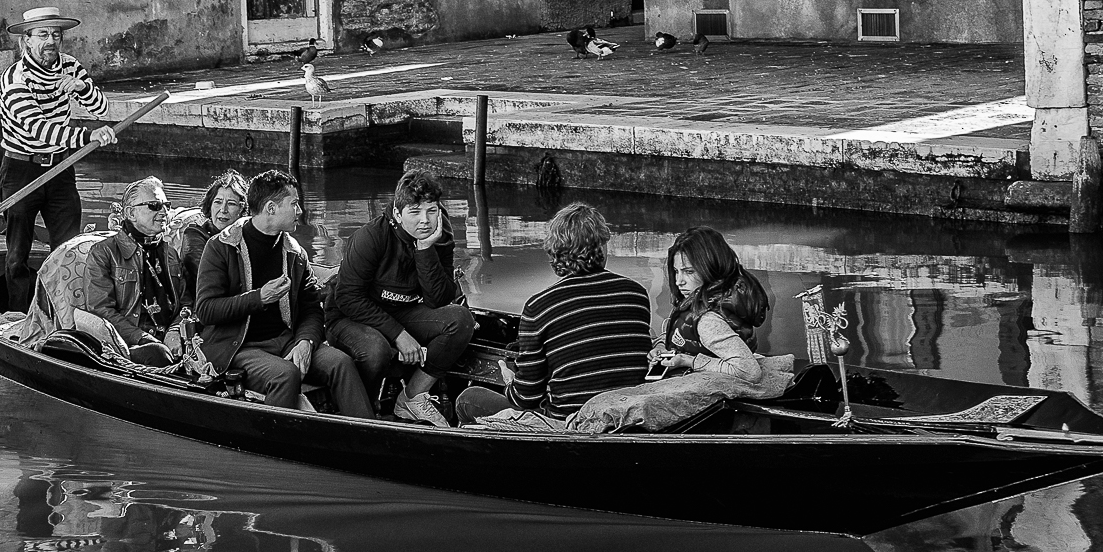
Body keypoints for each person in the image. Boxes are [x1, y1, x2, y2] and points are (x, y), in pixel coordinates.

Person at [196, 169, 373, 416]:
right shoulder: (220, 247)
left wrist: (306, 341)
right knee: (285, 374)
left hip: (286, 340)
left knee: (340, 363)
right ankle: (279, 443)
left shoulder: (295, 253)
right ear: (270, 208)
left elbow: (312, 309)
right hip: (239, 347)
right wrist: (258, 298)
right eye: (294, 204)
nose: (300, 212)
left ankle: (366, 435)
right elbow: (205, 311)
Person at [455, 203, 651, 425]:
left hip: (569, 423)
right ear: (603, 247)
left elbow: (527, 398)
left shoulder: (539, 307)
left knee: (467, 400)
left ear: (556, 254)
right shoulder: (637, 294)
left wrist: (510, 383)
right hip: (626, 418)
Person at [325, 172, 476, 428]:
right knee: (376, 349)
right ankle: (365, 410)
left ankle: (412, 396)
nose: (425, 221)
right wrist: (399, 334)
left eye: (432, 210)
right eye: (415, 212)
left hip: (404, 309)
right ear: (397, 213)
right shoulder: (371, 237)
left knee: (460, 320)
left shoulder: (439, 232)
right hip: (350, 317)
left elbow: (439, 298)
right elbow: (348, 298)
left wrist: (426, 249)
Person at [0, 7, 118, 311]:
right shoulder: (14, 79)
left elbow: (101, 109)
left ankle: (63, 313)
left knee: (69, 249)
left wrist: (82, 86)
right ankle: (16, 316)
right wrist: (87, 137)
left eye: (56, 34)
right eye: (42, 34)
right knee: (17, 256)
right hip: (21, 170)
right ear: (26, 40)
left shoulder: (71, 67)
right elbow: (39, 129)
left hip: (61, 169)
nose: (51, 40)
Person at [80, 176, 188, 367]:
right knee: (157, 355)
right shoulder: (103, 252)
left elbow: (186, 301)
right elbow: (100, 310)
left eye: (167, 205)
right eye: (154, 205)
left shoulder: (170, 253)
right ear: (130, 213)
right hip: (129, 344)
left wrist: (175, 331)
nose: (164, 212)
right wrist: (143, 338)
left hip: (172, 339)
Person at [651, 226, 771, 384]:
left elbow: (749, 371)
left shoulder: (708, 321)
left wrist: (689, 361)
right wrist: (660, 346)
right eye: (676, 271)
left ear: (711, 268)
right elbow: (680, 334)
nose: (678, 281)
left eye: (689, 272)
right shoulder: (701, 301)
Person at [176, 169, 247, 285]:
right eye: (218, 202)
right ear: (210, 205)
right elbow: (210, 280)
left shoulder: (247, 236)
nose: (223, 210)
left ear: (243, 209)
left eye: (231, 204)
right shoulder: (194, 235)